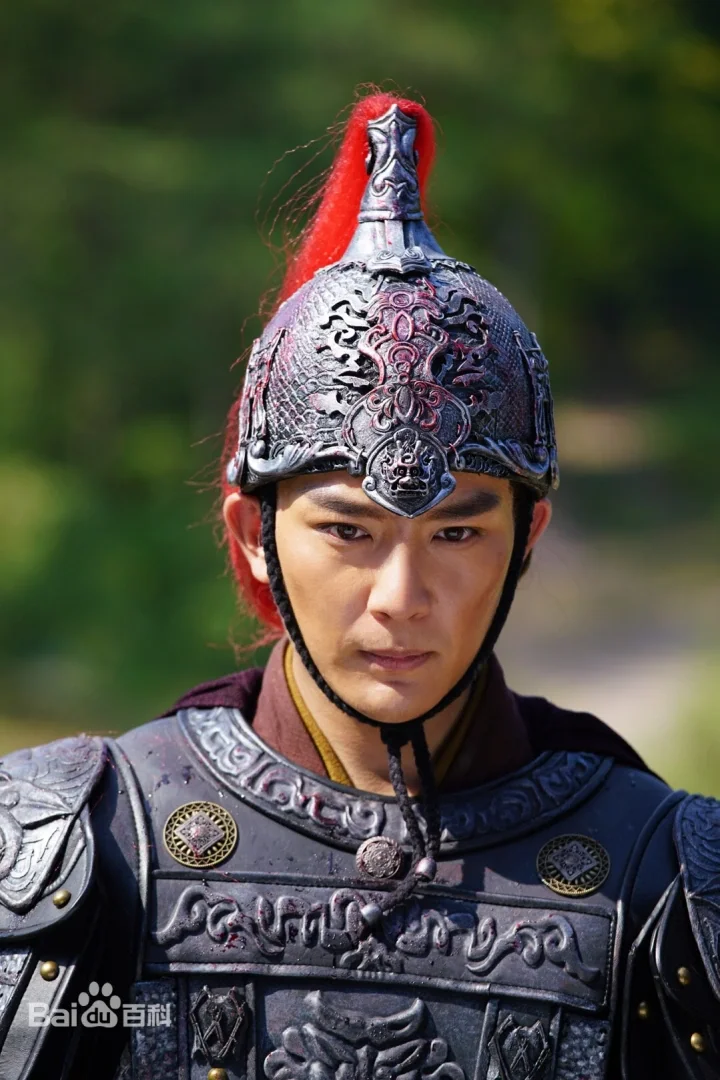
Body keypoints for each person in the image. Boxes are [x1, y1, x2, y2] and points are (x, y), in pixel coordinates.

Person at [0, 92, 717, 1080]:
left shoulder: (668, 877)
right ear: (254, 536)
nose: (400, 596)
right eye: (348, 531)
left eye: (457, 532)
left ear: (526, 540)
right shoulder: (78, 851)